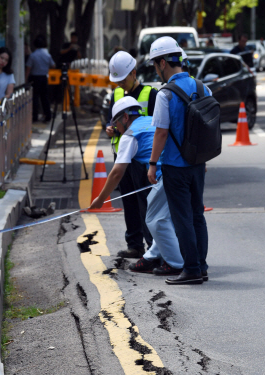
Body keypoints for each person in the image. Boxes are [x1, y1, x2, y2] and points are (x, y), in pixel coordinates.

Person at [90, 96, 183, 276]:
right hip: (179, 171)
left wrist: (101, 199)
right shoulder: (151, 121)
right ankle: (152, 256)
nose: (116, 128)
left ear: (125, 118)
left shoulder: (130, 134)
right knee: (163, 217)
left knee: (155, 220)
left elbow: (117, 173)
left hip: (165, 175)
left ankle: (175, 263)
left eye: (116, 122)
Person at [147, 36, 212, 285]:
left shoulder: (165, 94)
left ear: (163, 63)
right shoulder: (202, 87)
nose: (156, 69)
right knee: (198, 214)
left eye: (155, 64)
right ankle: (202, 266)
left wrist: (153, 164)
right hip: (198, 164)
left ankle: (191, 269)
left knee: (181, 217)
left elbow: (161, 132)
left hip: (175, 166)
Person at [106, 51, 158, 259]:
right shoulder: (116, 95)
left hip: (142, 160)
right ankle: (135, 244)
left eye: (122, 79)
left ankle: (153, 245)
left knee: (145, 201)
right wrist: (111, 129)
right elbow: (111, 122)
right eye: (116, 80)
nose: (119, 84)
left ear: (134, 73)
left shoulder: (150, 94)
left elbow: (158, 126)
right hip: (122, 155)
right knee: (128, 200)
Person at [25, 35, 55, 123]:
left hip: (35, 78)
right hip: (44, 77)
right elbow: (53, 65)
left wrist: (26, 79)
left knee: (35, 97)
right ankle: (48, 115)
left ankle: (34, 116)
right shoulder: (47, 55)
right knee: (44, 97)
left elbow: (28, 68)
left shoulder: (33, 55)